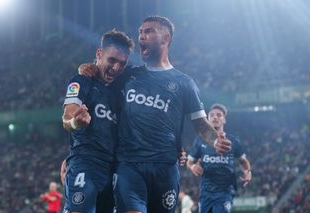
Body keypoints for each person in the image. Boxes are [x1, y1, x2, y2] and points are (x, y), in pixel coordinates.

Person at [79, 15, 231, 213]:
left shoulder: (185, 83)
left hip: (166, 169)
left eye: (149, 31)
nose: (142, 36)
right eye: (141, 32)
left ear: (165, 38)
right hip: (129, 166)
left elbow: (201, 125)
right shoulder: (128, 75)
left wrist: (215, 140)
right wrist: (86, 68)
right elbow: (96, 82)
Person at [61, 29, 134, 213]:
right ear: (99, 54)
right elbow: (67, 118)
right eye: (112, 60)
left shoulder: (123, 90)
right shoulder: (82, 81)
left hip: (114, 171)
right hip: (86, 163)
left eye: (122, 63)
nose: (116, 67)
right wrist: (76, 123)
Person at [187, 103, 252, 213]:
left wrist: (247, 171)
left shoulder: (233, 141)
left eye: (219, 115)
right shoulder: (200, 140)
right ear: (207, 119)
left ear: (224, 120)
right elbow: (189, 162)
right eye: (211, 115)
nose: (215, 117)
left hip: (225, 192)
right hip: (205, 193)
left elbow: (243, 161)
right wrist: (193, 167)